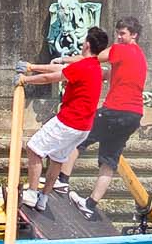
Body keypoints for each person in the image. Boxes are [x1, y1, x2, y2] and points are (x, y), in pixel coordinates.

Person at [16, 26, 110, 211]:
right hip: (83, 127)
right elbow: (60, 68)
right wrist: (31, 67)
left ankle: (32, 194)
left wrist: (25, 80)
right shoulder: (95, 68)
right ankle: (43, 198)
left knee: (34, 149)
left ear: (87, 45)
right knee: (57, 158)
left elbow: (51, 77)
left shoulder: (82, 66)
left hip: (69, 121)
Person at [80, 17, 148, 222]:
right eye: (118, 33)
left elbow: (95, 57)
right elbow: (109, 73)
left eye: (123, 33)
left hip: (115, 111)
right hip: (134, 116)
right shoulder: (140, 56)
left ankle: (61, 180)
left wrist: (68, 61)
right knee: (109, 162)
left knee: (78, 137)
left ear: (134, 35)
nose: (119, 37)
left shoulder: (121, 49)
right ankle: (90, 204)